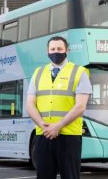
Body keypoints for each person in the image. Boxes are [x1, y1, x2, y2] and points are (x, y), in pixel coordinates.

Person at [26, 36, 92, 179]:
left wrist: (58, 125)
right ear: (47, 51)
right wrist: (42, 125)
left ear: (67, 50)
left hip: (69, 136)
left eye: (60, 49)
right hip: (43, 135)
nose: (56, 52)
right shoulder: (38, 73)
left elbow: (80, 106)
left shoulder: (80, 72)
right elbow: (30, 104)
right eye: (53, 49)